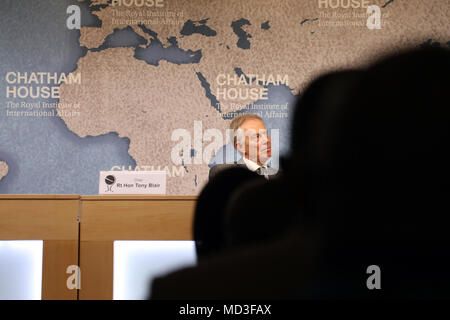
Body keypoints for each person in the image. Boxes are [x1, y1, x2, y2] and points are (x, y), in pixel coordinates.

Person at [209, 114, 278, 180]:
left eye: (266, 134)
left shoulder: (280, 177)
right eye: (257, 136)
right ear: (240, 147)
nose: (266, 140)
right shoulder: (223, 173)